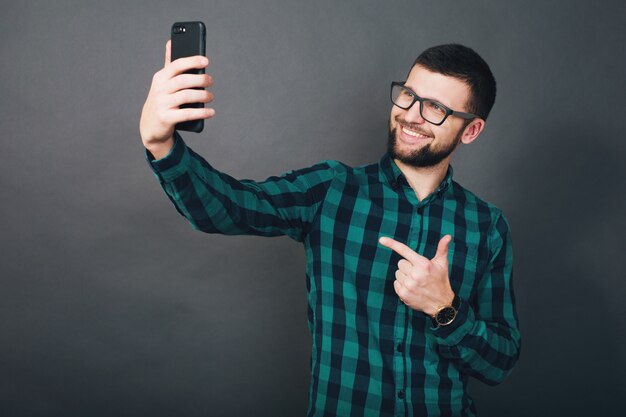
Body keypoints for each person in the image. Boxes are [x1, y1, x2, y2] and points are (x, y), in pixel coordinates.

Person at [140, 42, 521, 417]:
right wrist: (162, 144)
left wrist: (444, 308)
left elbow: (498, 363)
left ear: (470, 131)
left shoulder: (486, 226)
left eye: (435, 108)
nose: (411, 115)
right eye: (408, 95)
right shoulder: (332, 190)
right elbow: (228, 208)